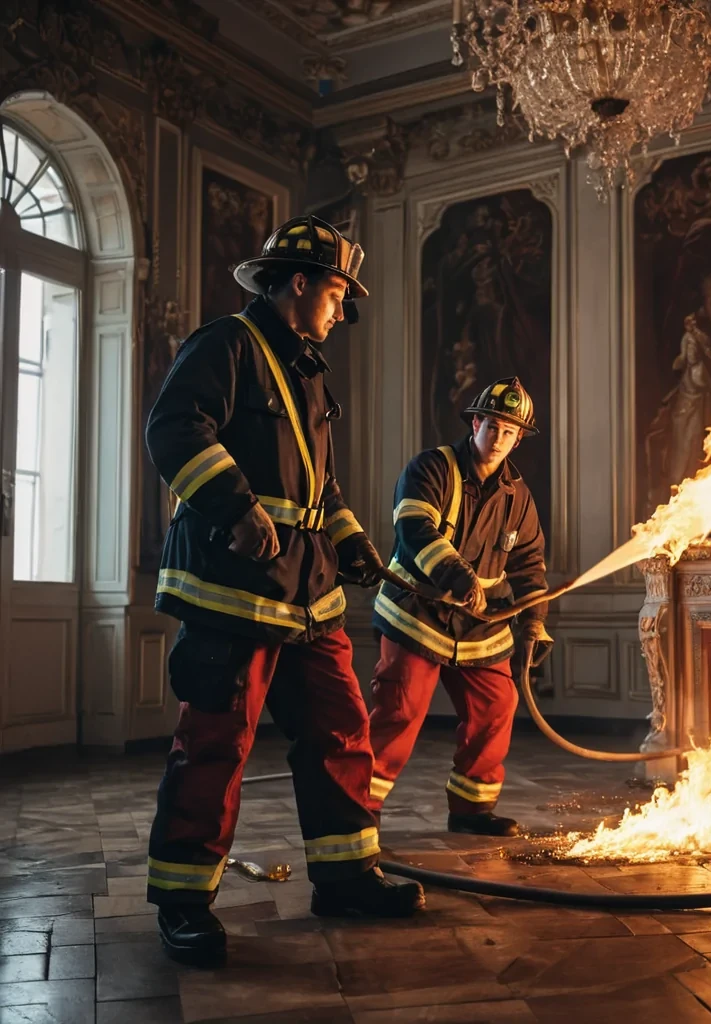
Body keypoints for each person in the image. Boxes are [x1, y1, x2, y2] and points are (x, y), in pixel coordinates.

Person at [145, 215, 424, 969]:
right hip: (232, 592)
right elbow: (174, 428)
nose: (344, 308)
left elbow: (315, 483)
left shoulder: (305, 369)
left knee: (341, 730)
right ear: (297, 282)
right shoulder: (225, 345)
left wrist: (352, 539)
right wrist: (234, 507)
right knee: (216, 745)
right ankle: (182, 901)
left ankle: (345, 876)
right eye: (337, 291)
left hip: (308, 595)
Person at [368, 377, 553, 837]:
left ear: (517, 439)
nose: (499, 438)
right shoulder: (430, 468)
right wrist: (456, 574)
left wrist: (534, 625)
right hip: (418, 614)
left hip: (479, 625)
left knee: (497, 706)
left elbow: (530, 566)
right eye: (492, 425)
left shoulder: (519, 498)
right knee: (400, 712)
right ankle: (356, 811)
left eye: (510, 432)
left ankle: (471, 810)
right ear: (475, 423)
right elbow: (414, 527)